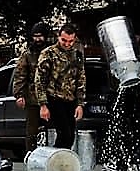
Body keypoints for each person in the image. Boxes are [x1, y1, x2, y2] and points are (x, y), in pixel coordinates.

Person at [103, 34, 140, 171]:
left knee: (139, 130)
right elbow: (111, 69)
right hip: (120, 93)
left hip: (138, 95)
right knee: (121, 130)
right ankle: (121, 165)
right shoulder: (118, 49)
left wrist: (139, 81)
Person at [34, 23, 86, 149]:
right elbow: (40, 80)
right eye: (64, 40)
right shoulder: (48, 54)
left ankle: (60, 158)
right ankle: (56, 158)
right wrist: (43, 105)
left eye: (70, 41)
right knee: (64, 134)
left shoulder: (77, 54)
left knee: (70, 137)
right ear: (58, 37)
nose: (67, 44)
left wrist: (80, 104)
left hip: (70, 100)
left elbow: (81, 80)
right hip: (54, 99)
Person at [13, 22, 51, 154]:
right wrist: (19, 95)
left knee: (52, 131)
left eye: (40, 36)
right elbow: (20, 75)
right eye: (35, 36)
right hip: (33, 99)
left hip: (52, 97)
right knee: (32, 132)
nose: (37, 39)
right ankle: (30, 156)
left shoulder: (53, 53)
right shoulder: (27, 55)